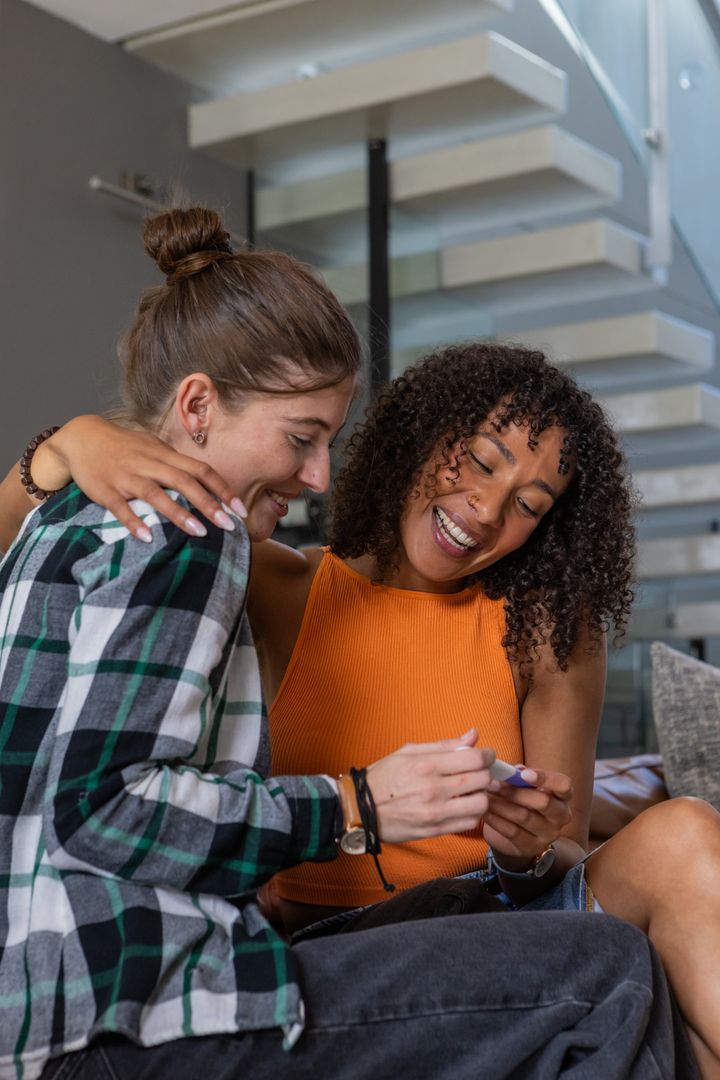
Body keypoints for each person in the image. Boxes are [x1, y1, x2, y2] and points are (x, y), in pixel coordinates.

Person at [0, 208, 699, 1080]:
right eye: (480, 462)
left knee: (677, 847)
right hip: (267, 953)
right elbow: (100, 796)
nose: (489, 509)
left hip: (480, 906)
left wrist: (522, 847)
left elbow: (560, 841)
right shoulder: (232, 554)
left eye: (530, 504)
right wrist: (73, 443)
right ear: (420, 438)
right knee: (604, 979)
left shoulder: (545, 628)